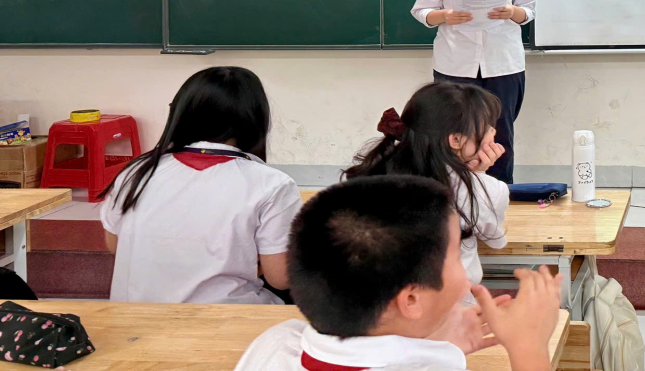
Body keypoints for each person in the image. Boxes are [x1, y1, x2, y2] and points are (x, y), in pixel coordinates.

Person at [233, 176, 562, 371]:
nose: (465, 276)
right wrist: (529, 349)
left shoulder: (276, 342)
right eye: (456, 257)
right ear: (411, 299)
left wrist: (428, 345)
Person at [99, 67, 300, 304]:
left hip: (134, 317)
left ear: (181, 112)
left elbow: (115, 246)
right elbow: (280, 277)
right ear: (256, 117)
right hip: (227, 318)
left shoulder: (136, 172)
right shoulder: (273, 184)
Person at [345, 81, 510, 305]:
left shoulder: (373, 174)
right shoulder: (486, 190)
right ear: (456, 140)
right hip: (448, 310)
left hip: (375, 306)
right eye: (487, 127)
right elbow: (496, 240)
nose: (493, 132)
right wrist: (478, 176)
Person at [411, 0, 535, 183]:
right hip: (455, 63)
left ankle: (499, 191)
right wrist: (445, 15)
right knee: (452, 132)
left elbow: (529, 11)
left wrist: (512, 12)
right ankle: (451, 190)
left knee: (500, 132)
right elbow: (421, 11)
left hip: (503, 63)